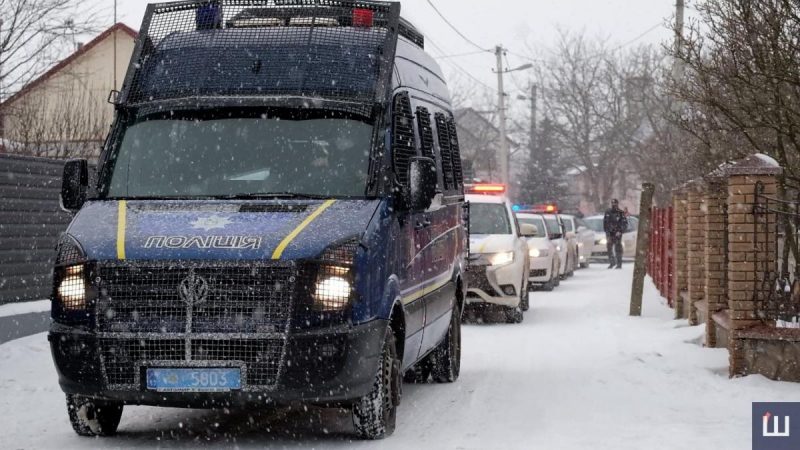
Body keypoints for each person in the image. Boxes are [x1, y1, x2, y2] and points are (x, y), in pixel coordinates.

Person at [603, 199, 628, 269]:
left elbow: (624, 224)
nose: (614, 205)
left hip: (617, 233)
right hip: (610, 233)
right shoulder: (608, 212)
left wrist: (620, 231)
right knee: (609, 248)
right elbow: (605, 223)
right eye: (612, 203)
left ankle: (619, 264)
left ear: (617, 204)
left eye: (615, 203)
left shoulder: (620, 213)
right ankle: (612, 262)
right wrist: (607, 232)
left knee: (618, 248)